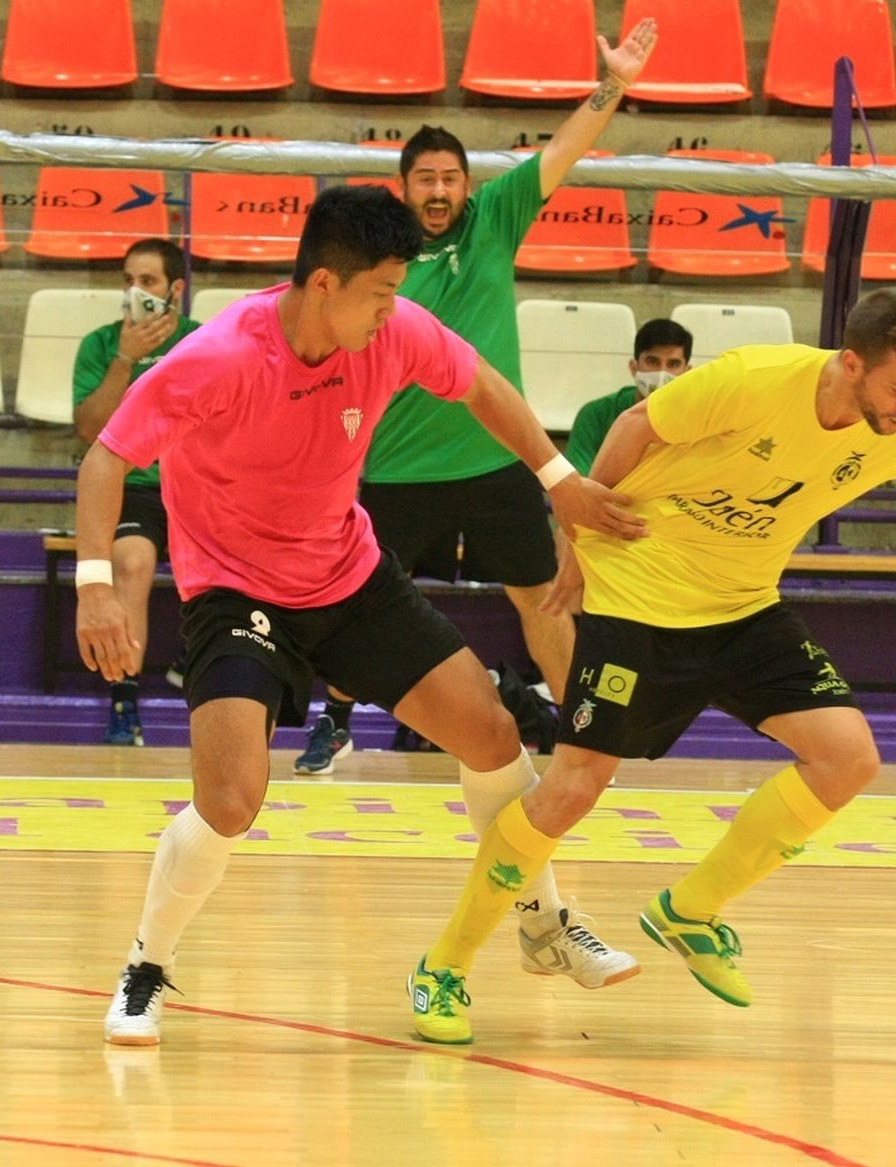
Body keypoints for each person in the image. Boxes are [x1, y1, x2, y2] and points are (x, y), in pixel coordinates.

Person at [408, 287, 896, 1043]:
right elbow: (641, 422)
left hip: (742, 605)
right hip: (640, 593)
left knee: (847, 757)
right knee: (575, 786)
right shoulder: (755, 379)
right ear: (851, 363)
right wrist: (582, 537)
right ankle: (446, 963)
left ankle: (691, 908)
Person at [76, 186, 648, 1047]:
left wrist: (560, 481)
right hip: (237, 590)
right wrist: (93, 584)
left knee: (493, 735)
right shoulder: (222, 354)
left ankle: (546, 923)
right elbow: (107, 455)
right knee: (231, 801)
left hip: (348, 575)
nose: (394, 309)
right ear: (321, 285)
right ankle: (147, 964)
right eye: (380, 291)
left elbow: (484, 385)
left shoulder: (394, 330)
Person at [295, 18, 660, 776]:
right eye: (424, 179)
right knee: (357, 597)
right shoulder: (379, 253)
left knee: (544, 599)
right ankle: (332, 720)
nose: (438, 190)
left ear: (467, 184)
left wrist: (615, 81)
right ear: (404, 189)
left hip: (497, 464)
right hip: (399, 468)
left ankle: (579, 733)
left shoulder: (496, 218)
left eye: (449, 178)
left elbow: (566, 147)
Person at [72, 239, 201, 746]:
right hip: (134, 487)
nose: (135, 292)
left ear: (175, 289)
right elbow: (90, 429)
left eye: (147, 282)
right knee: (132, 563)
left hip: (196, 485)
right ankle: (124, 699)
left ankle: (196, 655)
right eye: (128, 280)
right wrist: (126, 359)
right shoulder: (101, 345)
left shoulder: (202, 341)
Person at [567, 318, 693, 477]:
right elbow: (579, 484)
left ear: (687, 373)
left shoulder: (699, 420)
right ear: (634, 367)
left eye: (673, 364)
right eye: (652, 361)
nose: (662, 373)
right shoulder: (594, 414)